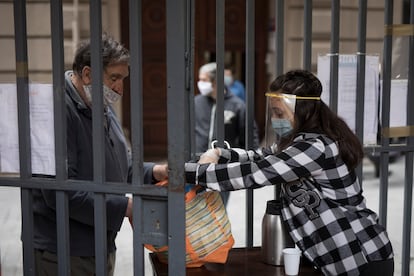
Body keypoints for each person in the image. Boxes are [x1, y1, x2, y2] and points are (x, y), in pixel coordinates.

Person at [185, 69, 394, 275]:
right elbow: (261, 157)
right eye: (273, 113)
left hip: (362, 255)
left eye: (279, 113)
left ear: (303, 111)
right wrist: (220, 153)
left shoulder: (316, 147)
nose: (275, 119)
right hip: (336, 257)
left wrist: (187, 173)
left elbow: (258, 172)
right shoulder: (298, 142)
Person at [32, 34, 168, 276]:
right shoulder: (55, 110)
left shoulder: (101, 105)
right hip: (64, 250)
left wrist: (155, 171)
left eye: (123, 79)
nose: (120, 88)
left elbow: (117, 165)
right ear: (87, 75)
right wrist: (126, 207)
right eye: (114, 78)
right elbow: (59, 191)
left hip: (99, 244)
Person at [195, 62, 259, 205]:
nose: (200, 83)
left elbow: (249, 135)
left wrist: (247, 162)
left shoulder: (237, 105)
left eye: (204, 80)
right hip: (197, 164)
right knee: (195, 212)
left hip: (222, 167)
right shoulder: (196, 102)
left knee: (219, 210)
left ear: (215, 81)